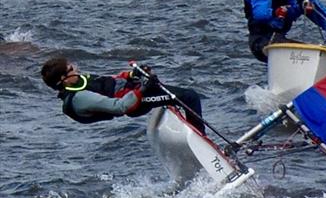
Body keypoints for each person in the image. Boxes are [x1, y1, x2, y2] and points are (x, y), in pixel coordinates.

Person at [41, 57, 205, 134]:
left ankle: (187, 129)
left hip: (134, 91)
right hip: (135, 103)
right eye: (72, 69)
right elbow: (120, 106)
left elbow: (111, 81)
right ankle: (201, 139)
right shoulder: (79, 98)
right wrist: (143, 89)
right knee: (189, 96)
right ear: (64, 79)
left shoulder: (80, 81)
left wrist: (132, 75)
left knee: (181, 95)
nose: (76, 68)